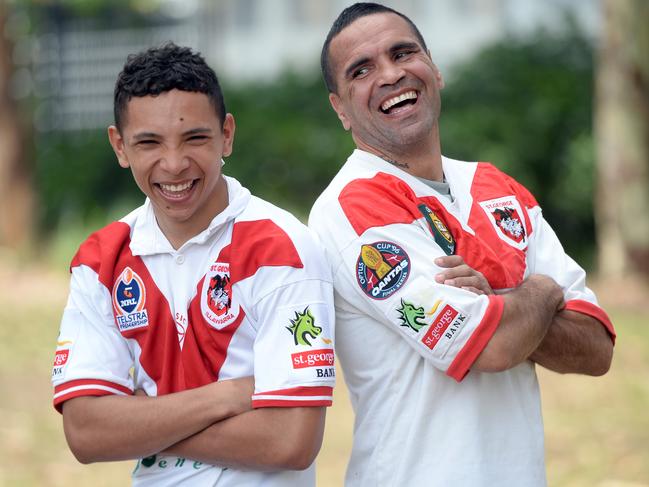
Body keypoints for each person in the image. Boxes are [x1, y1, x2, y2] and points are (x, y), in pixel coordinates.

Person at [309, 3, 615, 486]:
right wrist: (540, 290)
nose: (390, 74)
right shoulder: (352, 206)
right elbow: (490, 346)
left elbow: (596, 348)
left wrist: (496, 300)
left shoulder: (498, 189)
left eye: (403, 52)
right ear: (340, 109)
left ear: (434, 68)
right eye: (361, 70)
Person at [51, 43, 335, 486]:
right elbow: (85, 433)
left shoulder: (283, 246)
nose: (175, 164)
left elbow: (290, 442)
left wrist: (137, 420)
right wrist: (225, 398)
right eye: (149, 142)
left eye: (195, 138)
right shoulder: (100, 259)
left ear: (227, 135)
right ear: (119, 145)